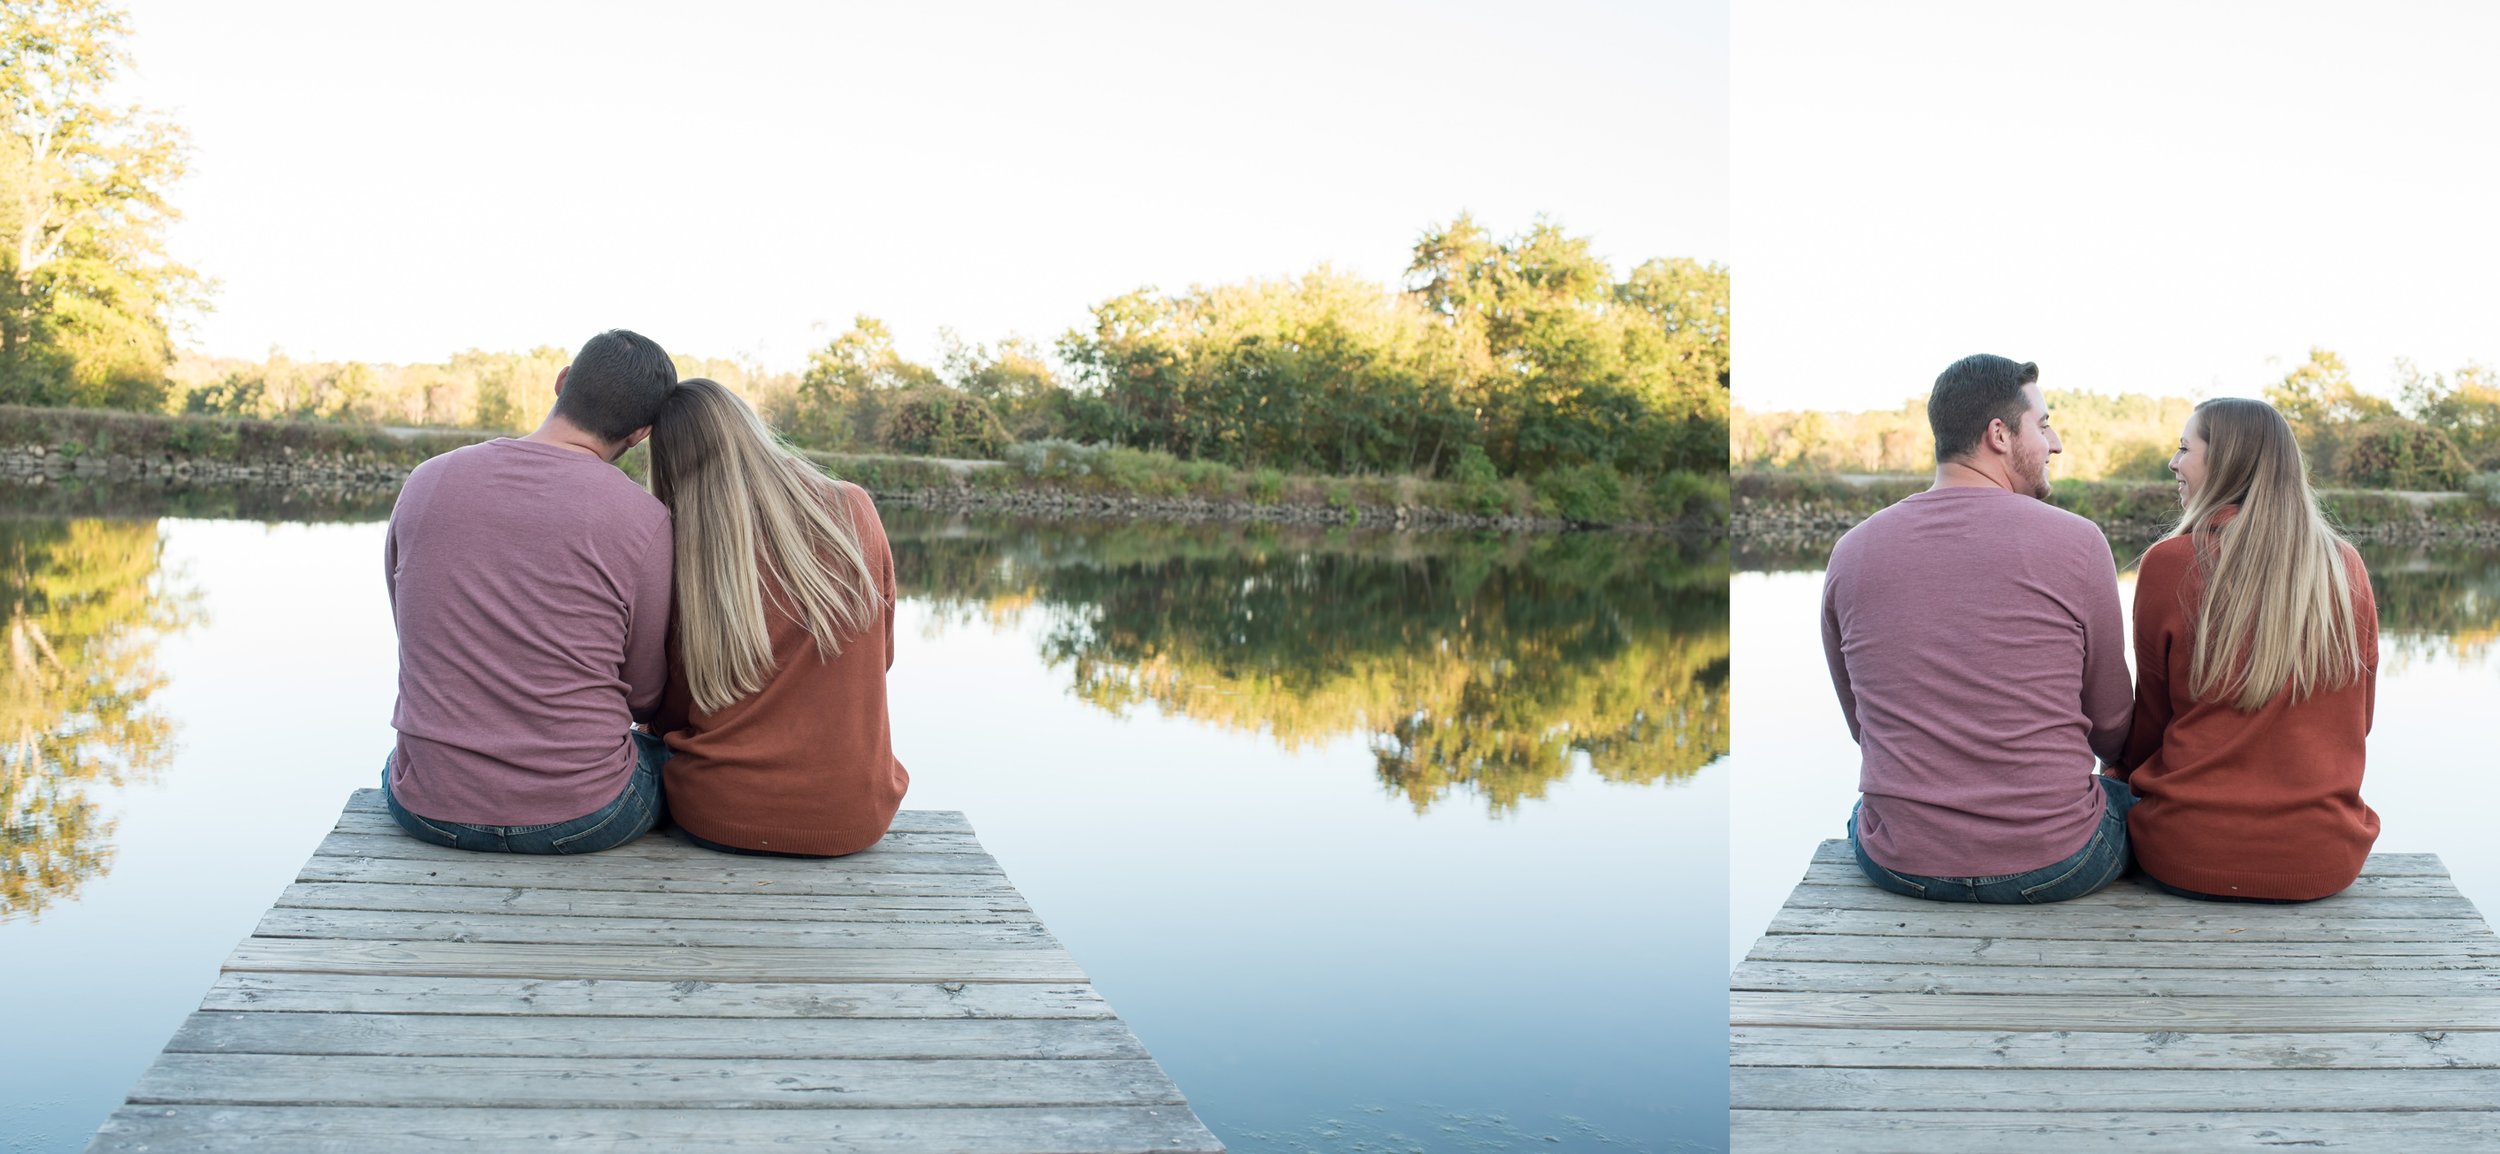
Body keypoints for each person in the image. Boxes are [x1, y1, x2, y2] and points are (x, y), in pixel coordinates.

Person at [1821, 354, 2134, 902]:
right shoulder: (2079, 543)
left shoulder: (1852, 552)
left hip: (1901, 860)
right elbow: (2112, 728)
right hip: (2057, 860)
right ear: (1998, 434)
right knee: (2142, 806)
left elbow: (1863, 726)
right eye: (2043, 425)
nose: (2055, 443)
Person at [382, 329, 678, 853]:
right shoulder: (646, 519)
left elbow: (410, 625)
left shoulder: (427, 481)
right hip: (585, 814)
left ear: (562, 382)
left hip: (429, 805)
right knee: (668, 759)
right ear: (640, 434)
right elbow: (644, 692)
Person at [2112, 398, 2379, 901]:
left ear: (2225, 461)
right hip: (2322, 856)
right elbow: (2358, 721)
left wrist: (2116, 780)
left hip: (2187, 851)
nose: (2173, 462)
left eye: (2184, 447)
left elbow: (2149, 725)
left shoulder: (2169, 564)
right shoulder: (2346, 567)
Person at [645, 378, 908, 856]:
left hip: (718, 813)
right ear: (751, 429)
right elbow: (880, 657)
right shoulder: (853, 510)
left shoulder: (688, 552)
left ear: (668, 468)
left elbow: (669, 710)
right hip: (854, 816)